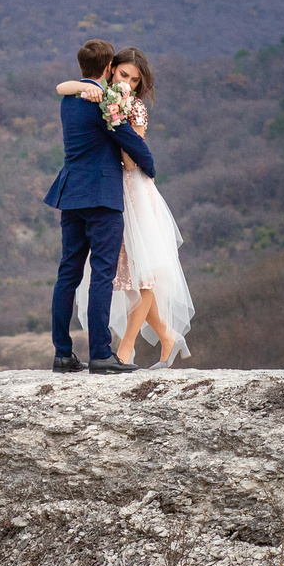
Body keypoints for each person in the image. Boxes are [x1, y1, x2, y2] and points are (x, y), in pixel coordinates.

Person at [55, 47, 191, 365]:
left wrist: (118, 126)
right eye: (123, 75)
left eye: (134, 79)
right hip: (110, 191)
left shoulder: (135, 108)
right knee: (127, 276)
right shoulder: (100, 98)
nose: (128, 83)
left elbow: (132, 163)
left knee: (142, 275)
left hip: (132, 192)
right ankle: (166, 335)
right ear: (111, 69)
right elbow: (64, 87)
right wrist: (90, 94)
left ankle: (125, 349)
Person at [44, 39, 157, 373]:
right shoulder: (106, 106)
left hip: (71, 195)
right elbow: (131, 144)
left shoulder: (68, 100)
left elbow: (66, 86)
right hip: (102, 198)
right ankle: (100, 354)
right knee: (102, 276)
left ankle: (62, 354)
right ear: (109, 69)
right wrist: (151, 167)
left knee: (68, 273)